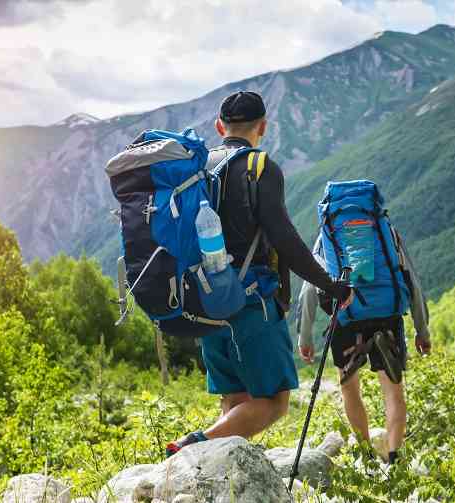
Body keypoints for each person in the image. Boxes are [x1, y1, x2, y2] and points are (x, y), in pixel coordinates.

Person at [165, 91, 352, 456]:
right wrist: (329, 284)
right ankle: (193, 447)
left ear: (220, 126)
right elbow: (284, 238)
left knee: (236, 402)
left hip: (205, 303)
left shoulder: (198, 170)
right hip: (251, 303)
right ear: (263, 126)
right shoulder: (259, 167)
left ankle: (216, 480)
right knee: (273, 402)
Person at [297, 232, 431, 465]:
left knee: (349, 388)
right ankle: (395, 460)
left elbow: (310, 287)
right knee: (393, 391)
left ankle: (367, 456)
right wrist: (422, 329)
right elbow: (411, 279)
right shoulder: (385, 228)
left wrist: (305, 336)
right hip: (386, 314)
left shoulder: (327, 233)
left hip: (345, 315)